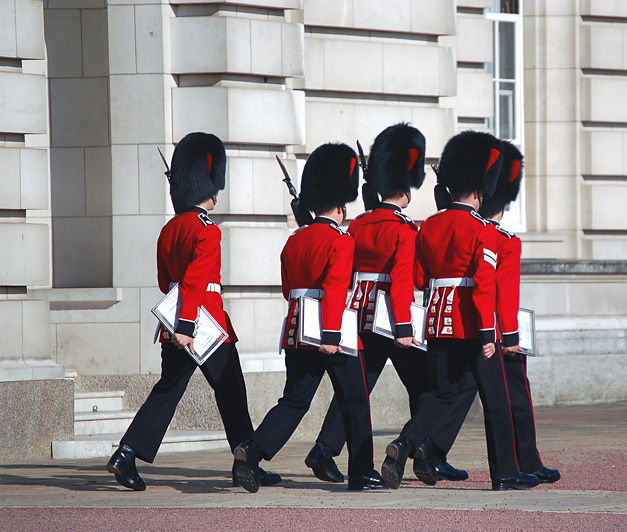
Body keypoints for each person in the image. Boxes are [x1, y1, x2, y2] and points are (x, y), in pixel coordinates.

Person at [106, 132, 279, 491]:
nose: (217, 193)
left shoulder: (169, 230)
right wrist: (188, 324)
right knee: (231, 390)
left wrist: (177, 325)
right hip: (205, 323)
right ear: (206, 187)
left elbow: (164, 281)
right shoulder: (206, 231)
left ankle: (126, 452)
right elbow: (197, 281)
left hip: (176, 323)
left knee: (167, 390)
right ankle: (247, 460)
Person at [303, 124, 468, 485]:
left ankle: (324, 449)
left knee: (358, 387)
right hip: (392, 320)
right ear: (404, 193)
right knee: (427, 388)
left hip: (360, 313)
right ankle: (421, 449)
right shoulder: (405, 229)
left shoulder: (358, 224)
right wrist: (405, 330)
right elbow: (405, 281)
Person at [382, 131, 539, 491]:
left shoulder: (428, 227)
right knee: (496, 401)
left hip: (437, 321)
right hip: (471, 324)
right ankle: (504, 474)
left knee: (441, 394)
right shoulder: (482, 229)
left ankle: (406, 443)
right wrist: (491, 335)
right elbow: (484, 285)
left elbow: (420, 277)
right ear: (479, 190)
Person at [232, 143, 387, 492]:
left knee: (294, 401)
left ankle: (251, 450)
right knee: (356, 400)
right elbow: (334, 288)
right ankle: (361, 471)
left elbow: (289, 290)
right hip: (331, 330)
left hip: (297, 327)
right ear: (341, 206)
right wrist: (331, 335)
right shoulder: (341, 240)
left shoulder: (294, 239)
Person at [477, 140, 561, 485]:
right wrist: (509, 335)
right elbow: (505, 293)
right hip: (496, 330)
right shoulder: (501, 238)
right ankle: (522, 461)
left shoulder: (468, 230)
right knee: (513, 399)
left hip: (462, 326)